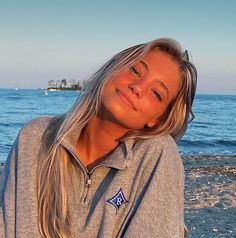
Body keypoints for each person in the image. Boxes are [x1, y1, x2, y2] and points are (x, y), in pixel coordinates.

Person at [0, 38, 197, 238]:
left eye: (156, 93)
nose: (137, 87)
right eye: (135, 71)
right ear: (112, 69)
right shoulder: (35, 138)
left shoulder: (157, 155)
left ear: (157, 119)